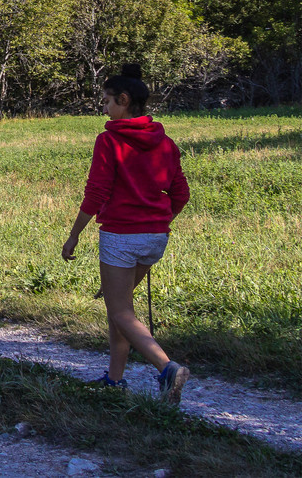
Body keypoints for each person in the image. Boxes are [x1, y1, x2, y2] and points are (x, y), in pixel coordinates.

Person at [61, 64, 191, 402]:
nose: (104, 109)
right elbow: (181, 194)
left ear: (123, 100)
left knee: (120, 311)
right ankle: (114, 380)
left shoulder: (109, 141)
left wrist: (74, 235)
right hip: (156, 238)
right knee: (121, 310)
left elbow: (96, 193)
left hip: (121, 238)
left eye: (106, 102)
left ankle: (167, 368)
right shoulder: (166, 143)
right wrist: (160, 221)